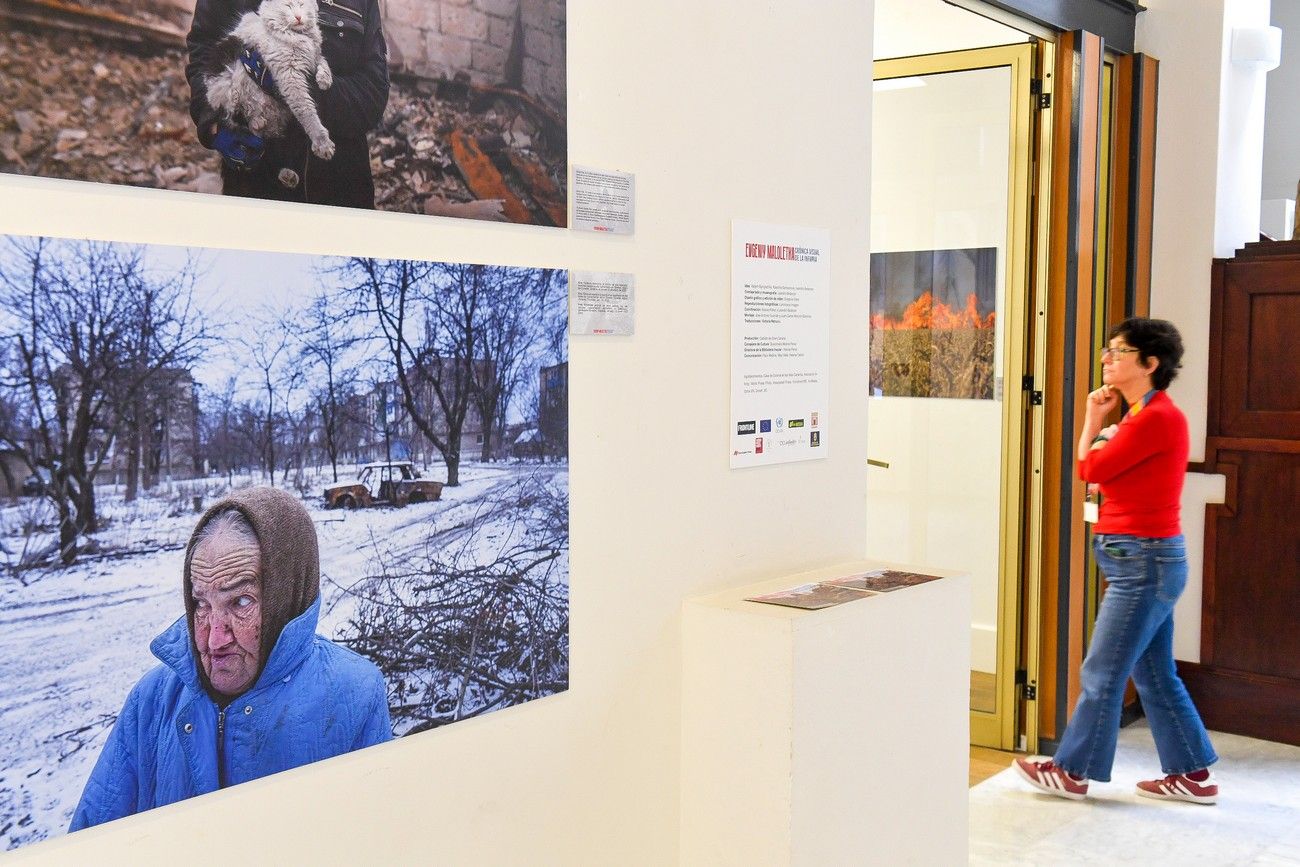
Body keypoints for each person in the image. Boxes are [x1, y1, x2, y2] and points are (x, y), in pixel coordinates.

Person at [70, 487, 391, 830]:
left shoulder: (354, 695)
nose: (213, 638)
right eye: (201, 605)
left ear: (287, 597)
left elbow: (376, 840)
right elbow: (89, 842)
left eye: (240, 602)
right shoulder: (151, 702)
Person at [1014, 317, 1219, 805]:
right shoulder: (1139, 414)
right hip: (1145, 561)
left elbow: (1091, 467)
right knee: (1152, 673)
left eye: (1119, 352)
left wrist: (1090, 422)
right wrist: (1102, 425)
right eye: (1108, 350)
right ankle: (1192, 775)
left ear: (1150, 364)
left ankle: (1072, 771)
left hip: (1144, 563)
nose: (1107, 358)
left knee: (1102, 672)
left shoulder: (1154, 418)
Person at [184, 0, 389, 209]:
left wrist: (295, 85)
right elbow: (204, 46)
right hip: (257, 192)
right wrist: (212, 122)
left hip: (338, 193)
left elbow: (373, 93)